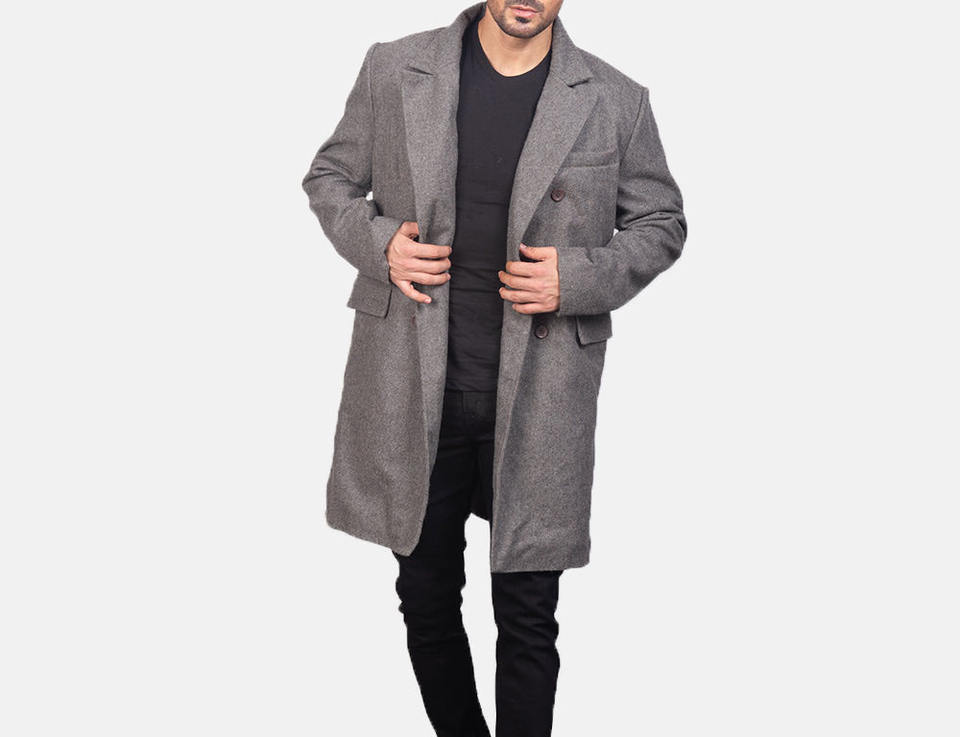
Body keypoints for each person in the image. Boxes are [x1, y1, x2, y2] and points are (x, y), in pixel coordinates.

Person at [301, 2, 687, 735]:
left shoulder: (615, 98)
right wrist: (380, 245)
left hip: (542, 393)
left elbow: (661, 221)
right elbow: (330, 177)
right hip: (413, 385)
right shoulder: (396, 66)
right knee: (425, 597)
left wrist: (577, 277)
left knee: (528, 612)